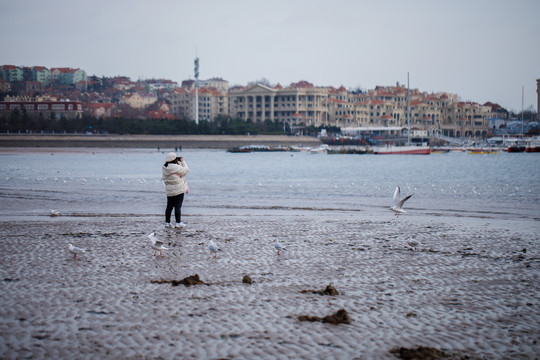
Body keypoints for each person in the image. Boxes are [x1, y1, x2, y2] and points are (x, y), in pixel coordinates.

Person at [162, 152, 189, 228]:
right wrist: (183, 162)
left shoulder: (165, 168)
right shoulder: (176, 167)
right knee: (178, 206)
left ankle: (167, 223)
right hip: (178, 189)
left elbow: (164, 178)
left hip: (169, 189)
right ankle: (178, 223)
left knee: (169, 206)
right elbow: (186, 170)